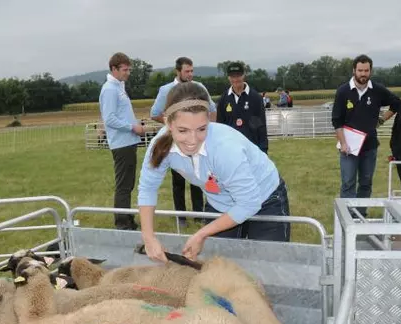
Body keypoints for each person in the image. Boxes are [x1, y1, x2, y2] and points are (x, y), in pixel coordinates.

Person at [138, 82, 290, 263]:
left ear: (209, 120)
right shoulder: (160, 147)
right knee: (217, 269)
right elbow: (147, 188)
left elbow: (249, 203)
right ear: (168, 123)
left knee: (268, 267)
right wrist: (148, 238)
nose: (193, 140)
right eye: (183, 130)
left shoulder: (224, 148)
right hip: (220, 202)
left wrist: (202, 233)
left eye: (202, 129)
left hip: (265, 198)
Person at [332, 54, 401, 216]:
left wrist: (382, 120)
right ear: (354, 70)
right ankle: (348, 216)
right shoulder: (343, 91)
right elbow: (336, 120)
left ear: (370, 71)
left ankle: (361, 215)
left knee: (366, 182)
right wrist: (343, 143)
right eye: (360, 70)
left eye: (366, 70)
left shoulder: (377, 90)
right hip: (349, 147)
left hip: (370, 146)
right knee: (348, 182)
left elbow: (397, 103)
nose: (363, 74)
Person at [150, 57, 216, 227]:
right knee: (178, 180)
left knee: (198, 176)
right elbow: (155, 113)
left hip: (197, 142)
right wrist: (172, 126)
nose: (190, 74)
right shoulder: (166, 90)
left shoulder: (199, 87)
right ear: (177, 71)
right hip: (177, 143)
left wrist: (208, 129)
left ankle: (199, 213)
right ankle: (181, 216)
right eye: (187, 71)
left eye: (192, 71)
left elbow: (212, 109)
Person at [99, 52, 145, 230]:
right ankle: (122, 223)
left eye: (129, 69)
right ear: (114, 69)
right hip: (121, 143)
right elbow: (109, 119)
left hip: (128, 141)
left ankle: (127, 218)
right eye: (125, 69)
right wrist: (132, 127)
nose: (128, 73)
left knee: (128, 184)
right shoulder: (110, 89)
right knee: (124, 185)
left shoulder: (119, 87)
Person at [215, 62, 268, 154]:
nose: (235, 79)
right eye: (232, 76)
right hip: (230, 149)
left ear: (244, 75)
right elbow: (220, 126)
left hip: (252, 148)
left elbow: (261, 126)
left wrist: (263, 150)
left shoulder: (255, 97)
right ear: (228, 77)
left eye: (238, 76)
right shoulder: (223, 99)